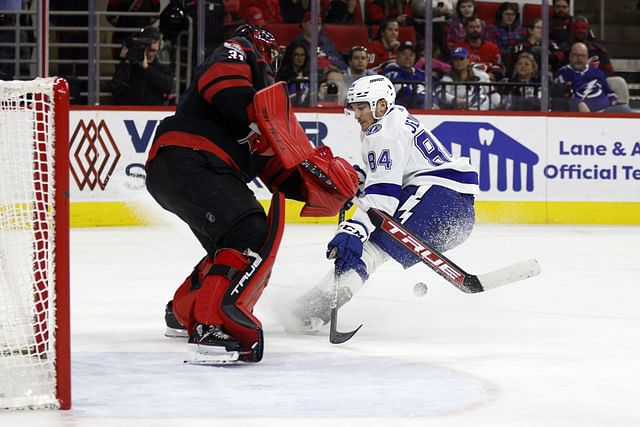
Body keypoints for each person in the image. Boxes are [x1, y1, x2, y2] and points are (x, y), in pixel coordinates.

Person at [145, 24, 357, 364]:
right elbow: (226, 89)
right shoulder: (236, 49)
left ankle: (184, 311)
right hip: (190, 159)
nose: (272, 62)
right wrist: (268, 124)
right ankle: (212, 328)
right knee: (249, 232)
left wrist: (323, 186)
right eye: (270, 54)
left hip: (185, 167)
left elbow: (278, 173)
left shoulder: (258, 114)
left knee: (232, 245)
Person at [287, 75, 479, 333]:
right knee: (372, 251)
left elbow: (384, 193)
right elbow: (386, 175)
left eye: (362, 107)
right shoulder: (396, 119)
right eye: (354, 108)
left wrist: (353, 229)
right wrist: (357, 180)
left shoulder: (383, 134)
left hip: (440, 201)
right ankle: (315, 306)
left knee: (368, 249)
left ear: (381, 105)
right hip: (455, 211)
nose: (357, 114)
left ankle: (315, 309)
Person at [553, 42, 632, 113]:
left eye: (582, 56)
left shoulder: (597, 72)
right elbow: (561, 96)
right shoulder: (563, 72)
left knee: (625, 110)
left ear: (587, 57)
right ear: (570, 56)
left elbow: (609, 92)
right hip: (581, 112)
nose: (579, 59)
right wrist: (578, 103)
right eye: (576, 55)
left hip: (605, 111)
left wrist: (614, 101)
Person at [110, 26, 174, 105]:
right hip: (128, 113)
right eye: (147, 43)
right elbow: (114, 88)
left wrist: (147, 68)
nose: (150, 46)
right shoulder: (129, 67)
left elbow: (168, 86)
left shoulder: (163, 69)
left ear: (159, 45)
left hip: (153, 114)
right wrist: (125, 61)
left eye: (154, 42)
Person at [438, 46, 500, 110]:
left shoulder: (481, 75)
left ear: (468, 60)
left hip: (482, 111)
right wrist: (455, 100)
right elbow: (441, 94)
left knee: (481, 97)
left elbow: (492, 93)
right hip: (459, 111)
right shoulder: (448, 78)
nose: (459, 62)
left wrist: (495, 107)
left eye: (461, 58)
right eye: (456, 59)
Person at [454, 16, 504, 80]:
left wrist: (485, 76)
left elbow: (498, 68)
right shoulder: (458, 46)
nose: (475, 29)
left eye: (478, 27)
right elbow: (455, 67)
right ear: (465, 29)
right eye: (471, 27)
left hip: (488, 82)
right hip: (465, 81)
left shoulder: (493, 47)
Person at [382, 41, 426, 109]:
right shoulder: (391, 71)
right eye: (404, 54)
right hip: (399, 110)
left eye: (411, 55)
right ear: (397, 56)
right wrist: (425, 100)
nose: (407, 58)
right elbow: (402, 93)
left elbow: (431, 92)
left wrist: (433, 102)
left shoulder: (421, 74)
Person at [275, 40, 311, 106]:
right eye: (296, 55)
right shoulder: (282, 77)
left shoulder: (308, 74)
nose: (300, 58)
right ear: (290, 56)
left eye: (302, 55)